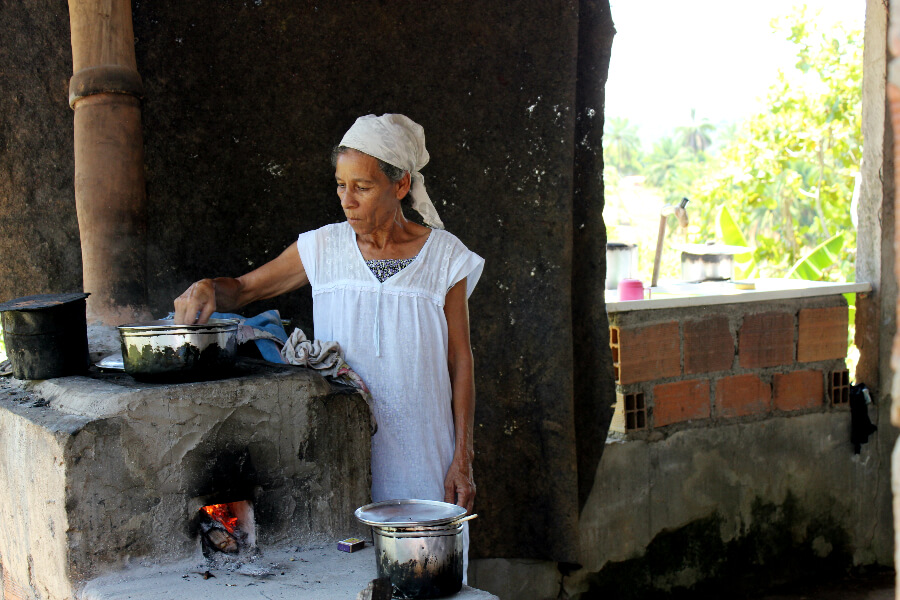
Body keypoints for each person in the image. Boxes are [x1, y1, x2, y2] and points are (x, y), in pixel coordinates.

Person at [173, 114, 484, 570]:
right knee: (349, 575)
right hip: (342, 457)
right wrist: (207, 287)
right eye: (340, 185)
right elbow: (244, 289)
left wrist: (462, 458)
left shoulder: (445, 257)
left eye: (362, 186)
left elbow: (461, 361)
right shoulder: (321, 249)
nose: (347, 200)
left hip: (425, 458)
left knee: (422, 576)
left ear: (400, 186)